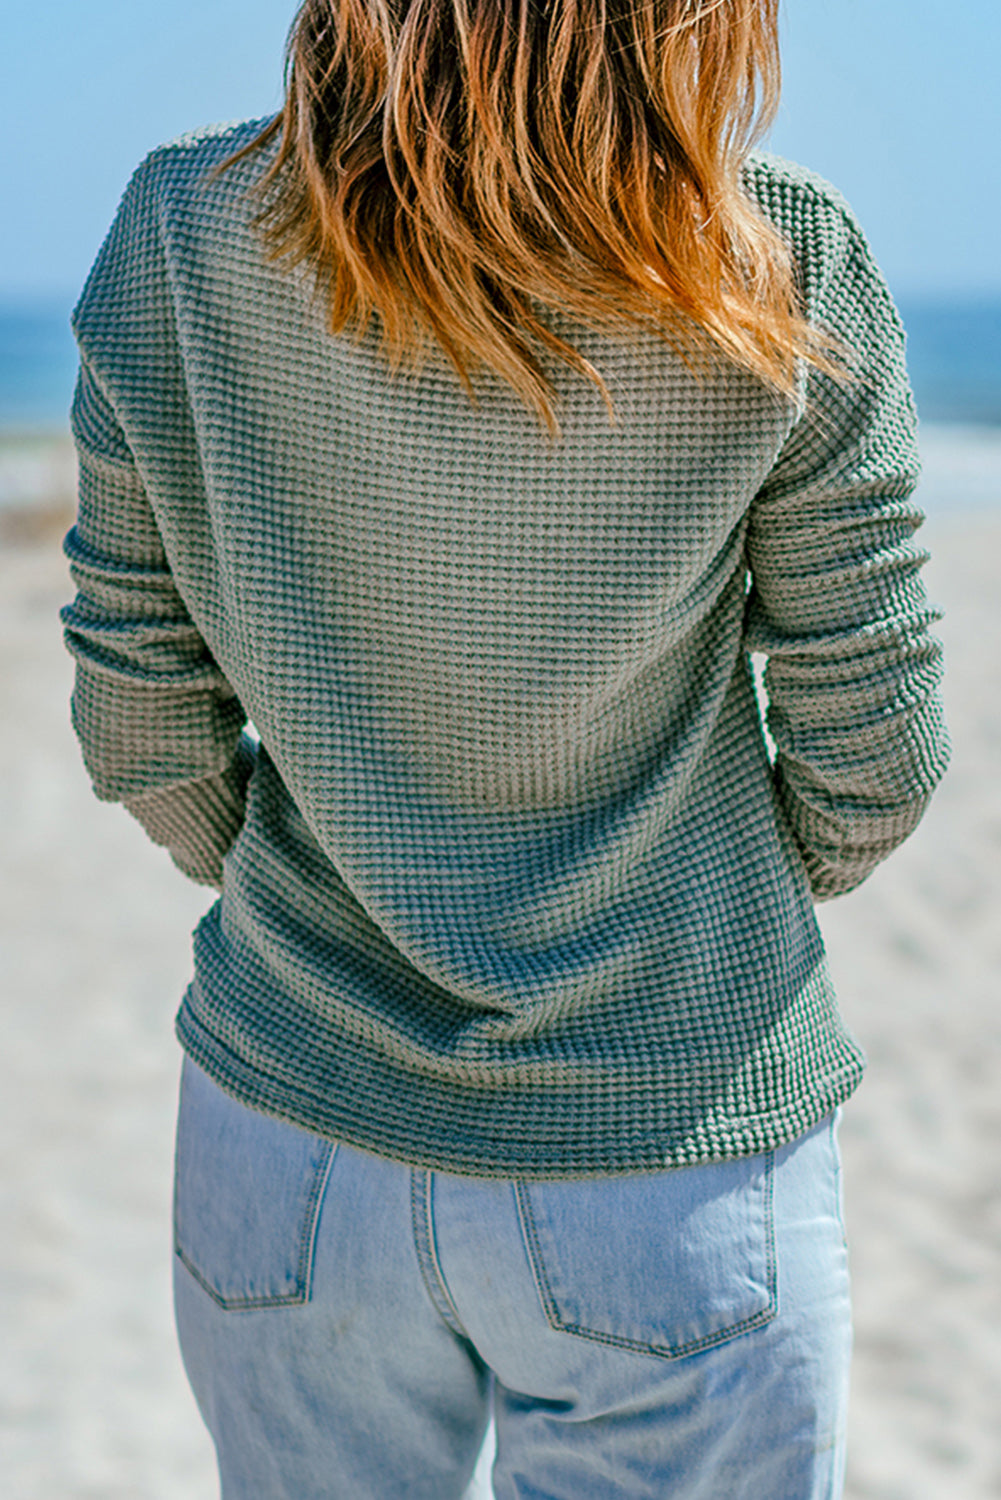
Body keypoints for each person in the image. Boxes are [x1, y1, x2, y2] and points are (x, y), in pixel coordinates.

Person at [60, 0, 950, 1495]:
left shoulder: (178, 232)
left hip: (288, 1132)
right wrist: (686, 908)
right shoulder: (779, 259)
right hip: (667, 1150)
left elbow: (140, 715)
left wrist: (324, 865)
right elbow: (877, 760)